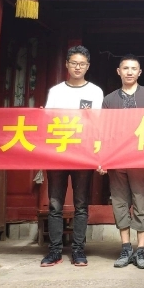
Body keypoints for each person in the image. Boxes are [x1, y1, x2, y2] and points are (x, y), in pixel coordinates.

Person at [41, 46, 103, 267]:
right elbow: (47, 120)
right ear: (67, 65)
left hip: (82, 154)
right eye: (74, 63)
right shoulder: (56, 91)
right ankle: (54, 250)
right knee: (55, 204)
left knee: (81, 204)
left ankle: (78, 250)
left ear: (88, 66)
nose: (78, 67)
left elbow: (97, 124)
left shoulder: (95, 92)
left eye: (82, 64)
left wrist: (97, 155)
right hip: (57, 154)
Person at [101, 54, 144, 270]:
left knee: (141, 202)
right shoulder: (109, 99)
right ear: (119, 72)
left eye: (133, 68)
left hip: (141, 158)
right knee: (119, 202)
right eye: (125, 68)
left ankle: (141, 249)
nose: (129, 72)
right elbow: (104, 131)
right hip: (117, 158)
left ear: (139, 72)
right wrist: (103, 159)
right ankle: (126, 248)